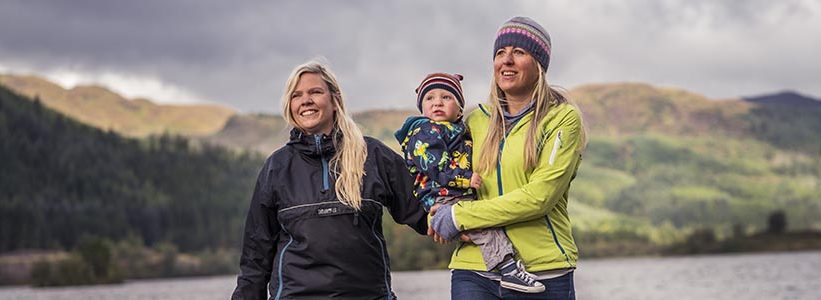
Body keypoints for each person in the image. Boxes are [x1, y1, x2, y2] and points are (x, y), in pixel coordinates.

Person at [231, 59, 427, 300]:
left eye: (315, 92)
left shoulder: (373, 155)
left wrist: (466, 213)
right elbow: (256, 255)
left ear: (335, 100)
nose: (306, 101)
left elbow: (425, 213)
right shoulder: (276, 167)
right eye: (297, 95)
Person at [429, 16, 586, 299]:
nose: (507, 60)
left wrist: (458, 216)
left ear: (539, 64)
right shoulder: (474, 121)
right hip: (473, 268)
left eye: (519, 52)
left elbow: (539, 198)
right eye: (500, 53)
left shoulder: (562, 119)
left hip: (544, 269)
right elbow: (433, 167)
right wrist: (433, 211)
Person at [394, 72, 545, 293]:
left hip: (454, 193)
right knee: (485, 228)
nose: (437, 102)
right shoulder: (425, 131)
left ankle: (505, 265)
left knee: (479, 225)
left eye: (446, 97)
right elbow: (435, 165)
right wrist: (465, 180)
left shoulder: (457, 129)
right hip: (441, 194)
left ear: (459, 108)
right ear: (422, 107)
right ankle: (509, 269)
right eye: (430, 98)